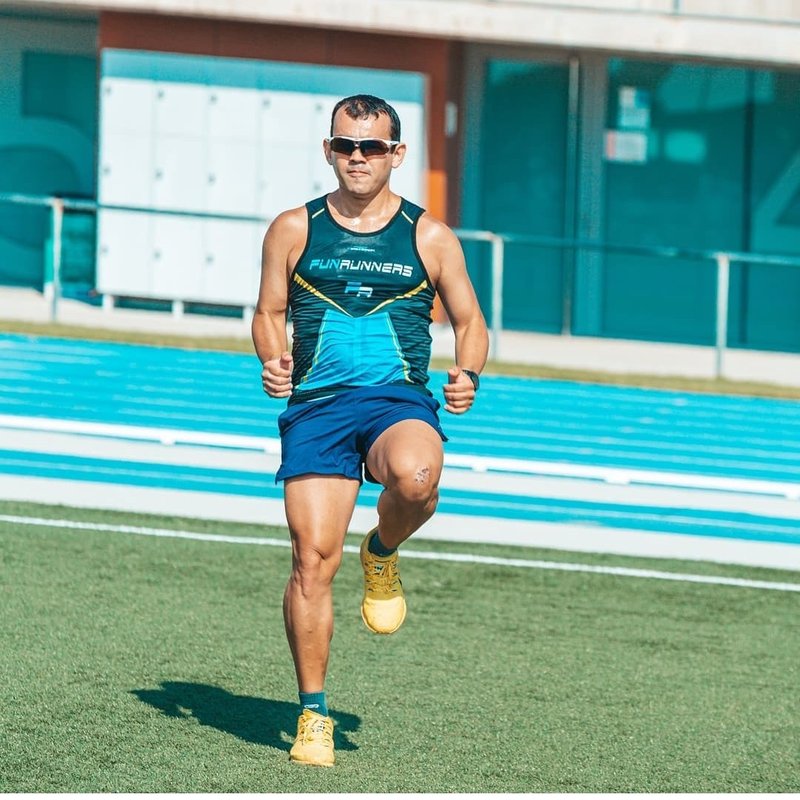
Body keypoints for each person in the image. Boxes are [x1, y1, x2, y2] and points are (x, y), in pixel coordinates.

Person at [251, 94, 488, 768]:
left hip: (395, 402)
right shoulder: (293, 228)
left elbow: (470, 321)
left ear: (397, 154)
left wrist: (469, 373)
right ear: (329, 150)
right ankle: (314, 713)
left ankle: (381, 550)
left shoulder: (429, 236)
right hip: (318, 408)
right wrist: (272, 358)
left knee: (417, 478)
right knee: (311, 561)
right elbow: (268, 312)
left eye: (373, 146)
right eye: (346, 145)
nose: (359, 157)